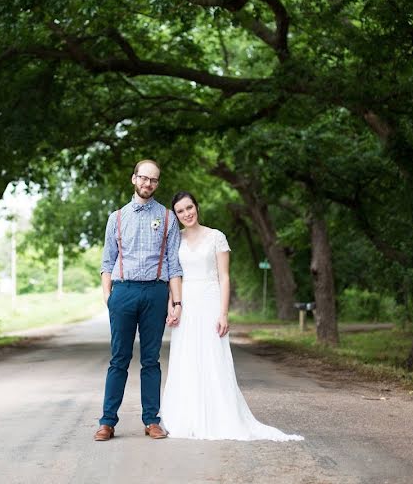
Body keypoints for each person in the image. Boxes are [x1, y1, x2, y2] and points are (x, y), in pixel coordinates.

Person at [160, 191, 304, 441]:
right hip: (186, 303)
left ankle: (220, 416)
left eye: (189, 207)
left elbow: (224, 277)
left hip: (210, 300)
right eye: (180, 211)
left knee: (214, 357)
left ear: (197, 206)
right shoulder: (175, 239)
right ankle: (186, 417)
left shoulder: (216, 237)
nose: (187, 214)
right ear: (176, 215)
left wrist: (223, 313)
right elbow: (173, 274)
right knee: (187, 357)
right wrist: (172, 304)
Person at [94, 160, 183, 441]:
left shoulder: (168, 218)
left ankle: (151, 420)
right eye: (143, 178)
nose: (148, 184)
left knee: (151, 360)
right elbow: (107, 262)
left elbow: (173, 265)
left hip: (155, 293)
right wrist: (109, 296)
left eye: (153, 180)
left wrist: (176, 301)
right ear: (134, 179)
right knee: (119, 358)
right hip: (123, 292)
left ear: (157, 184)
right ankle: (107, 422)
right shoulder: (116, 218)